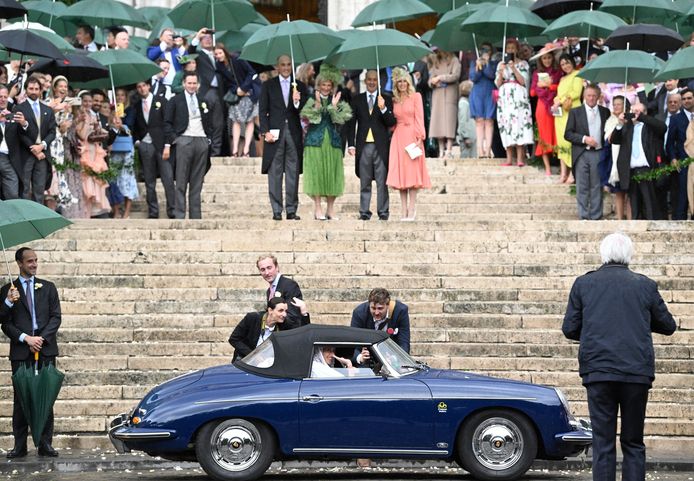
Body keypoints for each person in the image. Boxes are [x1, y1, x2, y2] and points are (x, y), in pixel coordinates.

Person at [562, 232, 676, 481]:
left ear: (603, 255)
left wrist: (596, 329)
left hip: (599, 370)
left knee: (603, 442)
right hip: (636, 371)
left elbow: (570, 328)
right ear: (629, 255)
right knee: (633, 441)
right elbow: (668, 325)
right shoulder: (644, 285)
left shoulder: (584, 284)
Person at [0, 247, 62, 458]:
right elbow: (4, 322)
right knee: (21, 399)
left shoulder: (48, 287)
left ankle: (45, 444)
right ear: (19, 263)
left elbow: (56, 317)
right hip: (20, 352)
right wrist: (9, 303)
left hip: (45, 350)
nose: (34, 264)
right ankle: (20, 445)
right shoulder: (8, 290)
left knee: (46, 395)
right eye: (29, 261)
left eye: (35, 260)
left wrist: (40, 339)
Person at [259, 54, 308, 221]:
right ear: (277, 67)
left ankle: (292, 209)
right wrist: (265, 132)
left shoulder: (300, 86)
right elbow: (262, 110)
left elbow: (305, 111)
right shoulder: (268, 86)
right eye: (283, 65)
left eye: (289, 65)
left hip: (293, 134)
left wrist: (296, 102)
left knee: (293, 172)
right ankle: (276, 210)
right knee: (275, 173)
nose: (286, 68)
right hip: (275, 134)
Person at [300, 63, 352, 221]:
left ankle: (330, 209)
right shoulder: (310, 99)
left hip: (333, 143)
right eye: (323, 84)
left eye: (329, 85)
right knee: (316, 174)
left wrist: (333, 107)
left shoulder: (336, 100)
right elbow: (309, 118)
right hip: (314, 142)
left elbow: (342, 119)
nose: (326, 88)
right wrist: (317, 105)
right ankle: (317, 208)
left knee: (332, 175)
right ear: (318, 85)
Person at [163, 71, 216, 219]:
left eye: (194, 83)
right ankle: (179, 214)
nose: (192, 86)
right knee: (181, 180)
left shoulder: (203, 100)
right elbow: (167, 122)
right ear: (183, 84)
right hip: (184, 140)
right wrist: (175, 139)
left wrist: (208, 140)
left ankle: (195, 216)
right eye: (189, 83)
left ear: (198, 84)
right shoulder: (175, 100)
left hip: (201, 140)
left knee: (197, 181)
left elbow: (210, 123)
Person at [347, 69, 396, 221]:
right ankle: (364, 211)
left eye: (375, 79)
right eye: (369, 79)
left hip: (380, 146)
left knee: (382, 182)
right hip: (363, 146)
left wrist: (383, 108)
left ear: (378, 82)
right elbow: (351, 123)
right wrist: (351, 144)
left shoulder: (386, 99)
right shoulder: (357, 99)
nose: (372, 82)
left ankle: (383, 211)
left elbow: (391, 122)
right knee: (365, 181)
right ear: (365, 81)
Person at [386, 67, 430, 221]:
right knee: (401, 176)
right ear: (396, 84)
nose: (402, 84)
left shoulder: (416, 96)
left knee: (412, 175)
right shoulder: (394, 100)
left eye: (405, 81)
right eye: (400, 81)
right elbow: (391, 122)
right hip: (398, 138)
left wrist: (420, 137)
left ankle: (412, 208)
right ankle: (403, 209)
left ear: (409, 82)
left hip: (412, 136)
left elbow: (420, 117)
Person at [610, 102, 667, 220]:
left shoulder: (650, 127)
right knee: (634, 203)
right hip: (631, 171)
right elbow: (614, 140)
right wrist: (620, 124)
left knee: (649, 201)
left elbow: (662, 128)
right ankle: (636, 225)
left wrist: (641, 118)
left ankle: (652, 224)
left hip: (647, 170)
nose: (634, 115)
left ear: (644, 113)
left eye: (637, 112)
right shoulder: (627, 127)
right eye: (632, 112)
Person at [564, 84, 611, 220]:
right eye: (588, 95)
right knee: (582, 186)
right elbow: (567, 134)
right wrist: (584, 139)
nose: (591, 98)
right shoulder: (575, 112)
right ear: (584, 96)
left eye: (594, 96)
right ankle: (584, 215)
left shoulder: (604, 112)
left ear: (598, 96)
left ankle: (596, 216)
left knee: (597, 186)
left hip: (598, 153)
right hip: (582, 153)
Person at [132, 80, 175, 219]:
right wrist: (138, 141)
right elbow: (135, 125)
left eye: (144, 85)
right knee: (149, 181)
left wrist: (168, 144)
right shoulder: (136, 105)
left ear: (149, 86)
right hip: (145, 144)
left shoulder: (161, 101)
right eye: (138, 87)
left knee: (168, 179)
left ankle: (172, 210)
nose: (142, 89)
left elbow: (168, 124)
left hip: (162, 144)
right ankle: (153, 211)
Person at [14, 76, 57, 204]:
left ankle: (38, 219)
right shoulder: (19, 108)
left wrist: (42, 146)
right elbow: (18, 133)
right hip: (26, 154)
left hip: (43, 154)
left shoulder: (48, 110)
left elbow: (52, 132)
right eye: (31, 88)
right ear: (26, 90)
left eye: (36, 89)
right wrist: (34, 148)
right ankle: (25, 218)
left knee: (39, 189)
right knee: (25, 188)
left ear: (40, 90)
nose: (33, 91)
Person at [228, 296, 307, 362]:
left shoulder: (285, 324)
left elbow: (302, 333)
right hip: (245, 362)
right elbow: (234, 339)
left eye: (285, 311)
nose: (284, 314)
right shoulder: (252, 318)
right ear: (270, 310)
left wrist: (304, 312)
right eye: (280, 311)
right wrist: (253, 355)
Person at [214, 43, 259, 158]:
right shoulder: (219, 65)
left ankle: (246, 150)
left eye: (220, 53)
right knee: (236, 120)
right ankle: (234, 150)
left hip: (250, 93)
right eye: (216, 54)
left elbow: (251, 73)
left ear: (225, 52)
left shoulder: (237, 59)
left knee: (250, 121)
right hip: (236, 96)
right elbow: (227, 81)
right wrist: (237, 90)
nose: (218, 56)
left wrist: (244, 88)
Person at [495, 38, 533, 167]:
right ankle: (509, 158)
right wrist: (501, 71)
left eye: (513, 48)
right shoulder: (501, 64)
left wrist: (513, 68)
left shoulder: (523, 64)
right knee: (507, 126)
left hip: (518, 96)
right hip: (505, 97)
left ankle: (521, 158)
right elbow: (498, 84)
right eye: (508, 48)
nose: (510, 50)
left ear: (517, 49)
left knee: (520, 125)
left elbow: (524, 81)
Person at [74, 93, 110, 217]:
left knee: (95, 180)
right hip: (84, 150)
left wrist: (97, 128)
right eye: (85, 101)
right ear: (81, 101)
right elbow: (82, 135)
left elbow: (100, 132)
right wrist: (84, 122)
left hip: (94, 150)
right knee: (86, 181)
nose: (88, 104)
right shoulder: (78, 115)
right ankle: (84, 212)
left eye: (90, 101)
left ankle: (92, 211)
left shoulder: (92, 115)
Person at [530, 44, 562, 176]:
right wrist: (539, 86)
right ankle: (547, 167)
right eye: (544, 58)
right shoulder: (537, 73)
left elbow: (561, 87)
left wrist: (550, 86)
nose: (547, 60)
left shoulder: (558, 71)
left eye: (549, 57)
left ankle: (562, 167)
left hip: (555, 104)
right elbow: (532, 93)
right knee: (544, 135)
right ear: (541, 60)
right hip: (542, 106)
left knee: (558, 134)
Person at [350, 288, 410, 358]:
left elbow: (404, 343)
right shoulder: (359, 313)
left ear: (388, 305)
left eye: (380, 308)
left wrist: (395, 358)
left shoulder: (400, 311)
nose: (376, 313)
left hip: (392, 355)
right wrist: (360, 357)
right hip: (367, 357)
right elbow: (353, 343)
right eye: (373, 308)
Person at [109, 88, 139, 219]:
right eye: (118, 95)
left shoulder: (131, 110)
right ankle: (116, 210)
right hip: (114, 148)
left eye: (122, 95)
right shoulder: (111, 111)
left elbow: (131, 126)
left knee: (127, 178)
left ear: (126, 97)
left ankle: (126, 212)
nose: (120, 97)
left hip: (127, 147)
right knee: (114, 178)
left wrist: (122, 124)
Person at [554, 54, 583, 184]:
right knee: (561, 142)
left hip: (573, 111)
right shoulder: (562, 79)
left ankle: (573, 173)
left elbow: (576, 93)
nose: (565, 66)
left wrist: (559, 100)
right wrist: (556, 101)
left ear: (572, 62)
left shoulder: (578, 74)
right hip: (561, 114)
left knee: (571, 142)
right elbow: (558, 95)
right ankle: (563, 173)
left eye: (567, 63)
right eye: (562, 64)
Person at [256, 254, 308, 327]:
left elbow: (293, 317)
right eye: (263, 269)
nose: (266, 273)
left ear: (277, 267)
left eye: (269, 268)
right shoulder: (269, 291)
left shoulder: (289, 285)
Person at [427, 49, 461, 159]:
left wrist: (441, 77)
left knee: (449, 122)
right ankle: (441, 150)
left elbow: (456, 75)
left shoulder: (455, 60)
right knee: (438, 123)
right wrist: (432, 82)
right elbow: (430, 78)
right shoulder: (436, 61)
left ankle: (449, 150)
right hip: (438, 95)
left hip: (450, 94)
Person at [664, 90, 691, 220]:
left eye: (689, 98)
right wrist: (673, 158)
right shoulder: (675, 119)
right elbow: (669, 143)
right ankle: (680, 225)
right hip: (683, 164)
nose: (687, 101)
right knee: (682, 197)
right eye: (684, 99)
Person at [604, 96, 631, 220]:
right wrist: (618, 124)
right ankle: (620, 218)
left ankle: (631, 218)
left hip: (630, 157)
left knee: (630, 192)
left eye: (619, 104)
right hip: (616, 157)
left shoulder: (631, 119)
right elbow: (609, 139)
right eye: (614, 104)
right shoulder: (610, 120)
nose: (616, 107)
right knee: (619, 191)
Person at [469, 42, 497, 159]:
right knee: (479, 121)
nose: (485, 52)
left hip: (490, 92)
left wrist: (486, 64)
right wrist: (477, 66)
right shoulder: (474, 63)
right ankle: (480, 150)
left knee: (489, 121)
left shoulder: (494, 63)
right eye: (483, 50)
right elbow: (474, 77)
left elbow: (491, 75)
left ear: (491, 52)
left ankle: (488, 150)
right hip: (477, 93)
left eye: (487, 50)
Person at [0, 85, 22, 200]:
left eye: (5, 96)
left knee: (13, 194)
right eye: (0, 96)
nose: (3, 99)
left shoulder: (13, 114)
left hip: (9, 158)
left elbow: (23, 134)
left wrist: (23, 124)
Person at [457, 80, 476, 159]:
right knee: (465, 157)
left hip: (471, 137)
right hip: (467, 138)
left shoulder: (468, 103)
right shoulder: (463, 103)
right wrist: (465, 136)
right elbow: (462, 121)